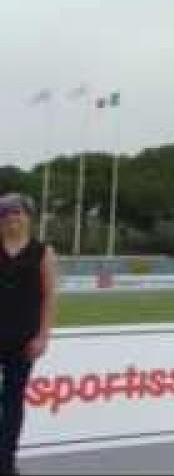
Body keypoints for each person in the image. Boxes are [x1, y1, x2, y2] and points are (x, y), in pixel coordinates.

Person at [0, 193, 58, 475]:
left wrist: (43, 336)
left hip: (23, 340)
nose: (12, 218)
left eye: (17, 213)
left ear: (28, 217)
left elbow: (48, 297)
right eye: (6, 213)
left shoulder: (42, 252)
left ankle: (6, 461)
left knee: (13, 401)